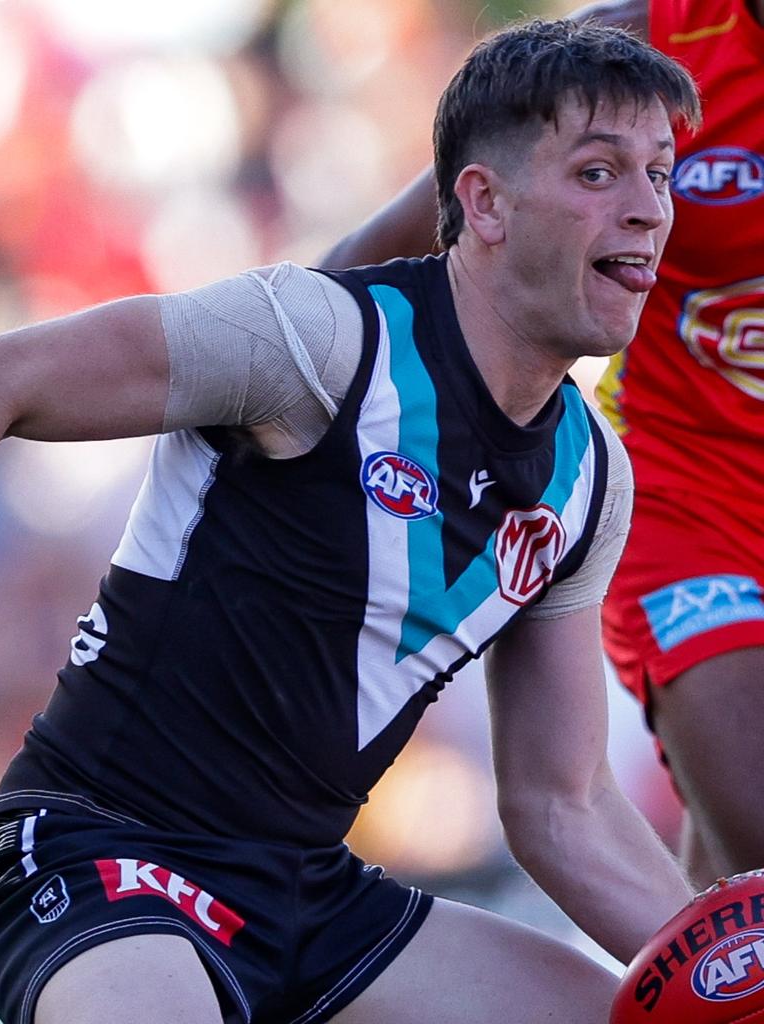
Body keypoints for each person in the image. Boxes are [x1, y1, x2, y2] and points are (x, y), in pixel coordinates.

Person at [0, 19, 700, 1024]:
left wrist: (726, 972)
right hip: (100, 845)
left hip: (309, 897)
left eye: (663, 176)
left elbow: (564, 805)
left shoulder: (591, 475)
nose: (646, 212)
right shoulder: (317, 336)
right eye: (599, 174)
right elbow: (12, 376)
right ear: (484, 202)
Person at [322, 0, 764, 891]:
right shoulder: (648, 45)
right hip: (692, 502)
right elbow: (399, 241)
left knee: (732, 902)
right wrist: (275, 366)